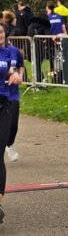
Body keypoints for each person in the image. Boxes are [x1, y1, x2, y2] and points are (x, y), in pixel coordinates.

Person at [0, 23, 22, 223]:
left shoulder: (10, 53)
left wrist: (17, 77)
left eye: (0, 31)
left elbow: (15, 73)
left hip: (5, 103)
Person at [2, 28, 24, 162]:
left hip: (12, 93)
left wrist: (19, 76)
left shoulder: (14, 51)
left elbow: (20, 65)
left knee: (13, 124)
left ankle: (9, 144)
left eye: (1, 32)